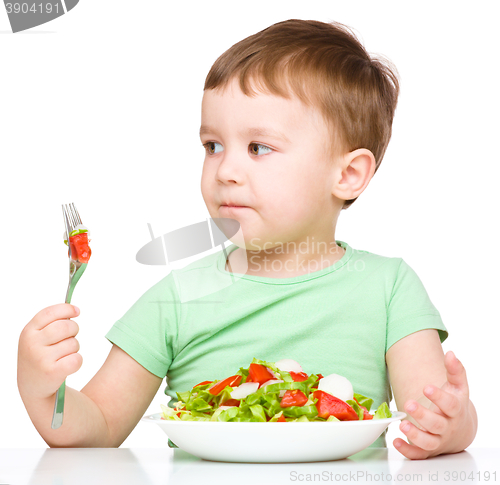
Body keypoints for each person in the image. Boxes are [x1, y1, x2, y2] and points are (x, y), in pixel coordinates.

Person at [17, 19, 477, 459]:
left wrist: (454, 426)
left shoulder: (389, 288)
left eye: (259, 148)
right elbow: (96, 428)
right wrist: (40, 389)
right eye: (212, 146)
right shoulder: (177, 298)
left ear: (348, 174)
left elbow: (428, 415)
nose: (226, 171)